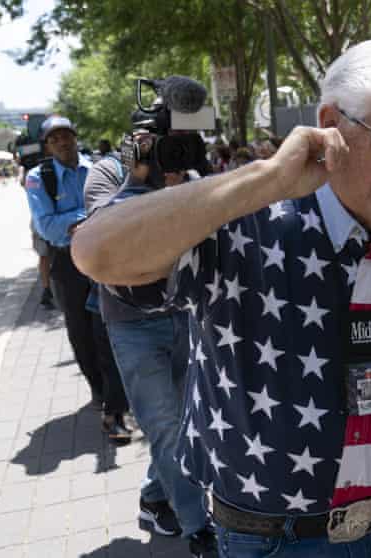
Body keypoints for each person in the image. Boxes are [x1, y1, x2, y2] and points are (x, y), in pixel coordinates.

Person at [71, 39, 371, 558]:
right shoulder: (245, 225)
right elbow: (96, 255)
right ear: (331, 122)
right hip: (271, 540)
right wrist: (268, 177)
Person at [83, 135, 216, 556]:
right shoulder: (107, 172)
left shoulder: (184, 180)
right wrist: (139, 171)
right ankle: (199, 528)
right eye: (153, 154)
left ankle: (154, 496)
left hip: (181, 312)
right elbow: (102, 223)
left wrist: (190, 185)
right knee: (164, 425)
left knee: (185, 424)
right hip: (131, 326)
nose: (164, 161)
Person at [24, 115, 131, 442]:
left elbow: (116, 208)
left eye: (66, 136)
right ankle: (99, 391)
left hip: (101, 258)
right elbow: (47, 226)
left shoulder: (98, 169)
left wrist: (76, 221)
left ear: (74, 136)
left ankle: (115, 405)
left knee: (106, 329)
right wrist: (90, 216)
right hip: (67, 263)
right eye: (54, 139)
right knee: (81, 333)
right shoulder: (38, 178)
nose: (62, 143)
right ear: (47, 145)